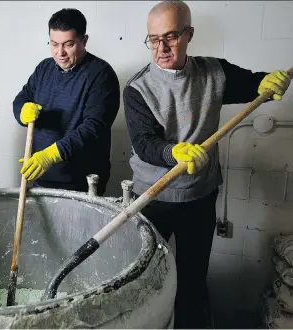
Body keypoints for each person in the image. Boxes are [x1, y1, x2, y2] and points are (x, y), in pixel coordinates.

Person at [123, 1, 291, 328]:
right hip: (153, 198)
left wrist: (272, 83)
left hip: (200, 196)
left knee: (192, 278)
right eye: (153, 39)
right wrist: (175, 153)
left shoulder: (214, 72)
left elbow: (255, 84)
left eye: (170, 37)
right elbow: (145, 144)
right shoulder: (138, 88)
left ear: (189, 34)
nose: (161, 47)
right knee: (142, 276)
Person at [13, 8, 120, 196]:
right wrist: (22, 110)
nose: (60, 52)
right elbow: (23, 97)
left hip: (83, 184)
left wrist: (51, 155)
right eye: (54, 44)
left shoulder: (102, 75)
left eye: (68, 44)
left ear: (84, 41)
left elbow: (93, 128)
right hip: (41, 178)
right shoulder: (44, 68)